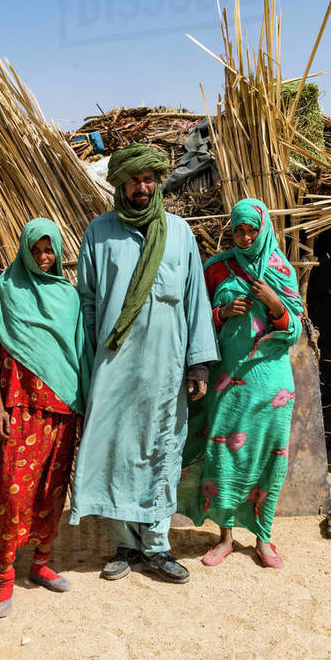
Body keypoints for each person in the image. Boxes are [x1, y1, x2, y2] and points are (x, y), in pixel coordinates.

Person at [69, 143, 219, 584]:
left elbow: (194, 299)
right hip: (115, 366)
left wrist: (198, 365)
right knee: (118, 451)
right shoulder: (99, 233)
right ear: (121, 182)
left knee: (159, 449)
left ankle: (156, 546)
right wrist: (89, 362)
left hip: (165, 367)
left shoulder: (179, 233)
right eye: (135, 179)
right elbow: (90, 303)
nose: (143, 186)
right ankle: (124, 546)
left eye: (149, 179)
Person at [178, 198, 304, 569]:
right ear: (231, 231)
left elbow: (295, 328)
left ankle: (264, 538)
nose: (245, 237)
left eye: (252, 230)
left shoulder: (281, 269)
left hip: (272, 384)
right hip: (227, 382)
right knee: (224, 456)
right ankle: (225, 536)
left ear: (263, 230)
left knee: (270, 457)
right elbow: (194, 319)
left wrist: (274, 303)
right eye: (239, 230)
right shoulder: (217, 269)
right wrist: (220, 313)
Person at [0, 218, 90, 618]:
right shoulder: (6, 292)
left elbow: (80, 352)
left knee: (51, 491)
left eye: (50, 250)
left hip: (62, 409)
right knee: (13, 493)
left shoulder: (68, 297)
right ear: (25, 249)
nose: (44, 257)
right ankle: (5, 577)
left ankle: (41, 563)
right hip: (20, 408)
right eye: (38, 249)